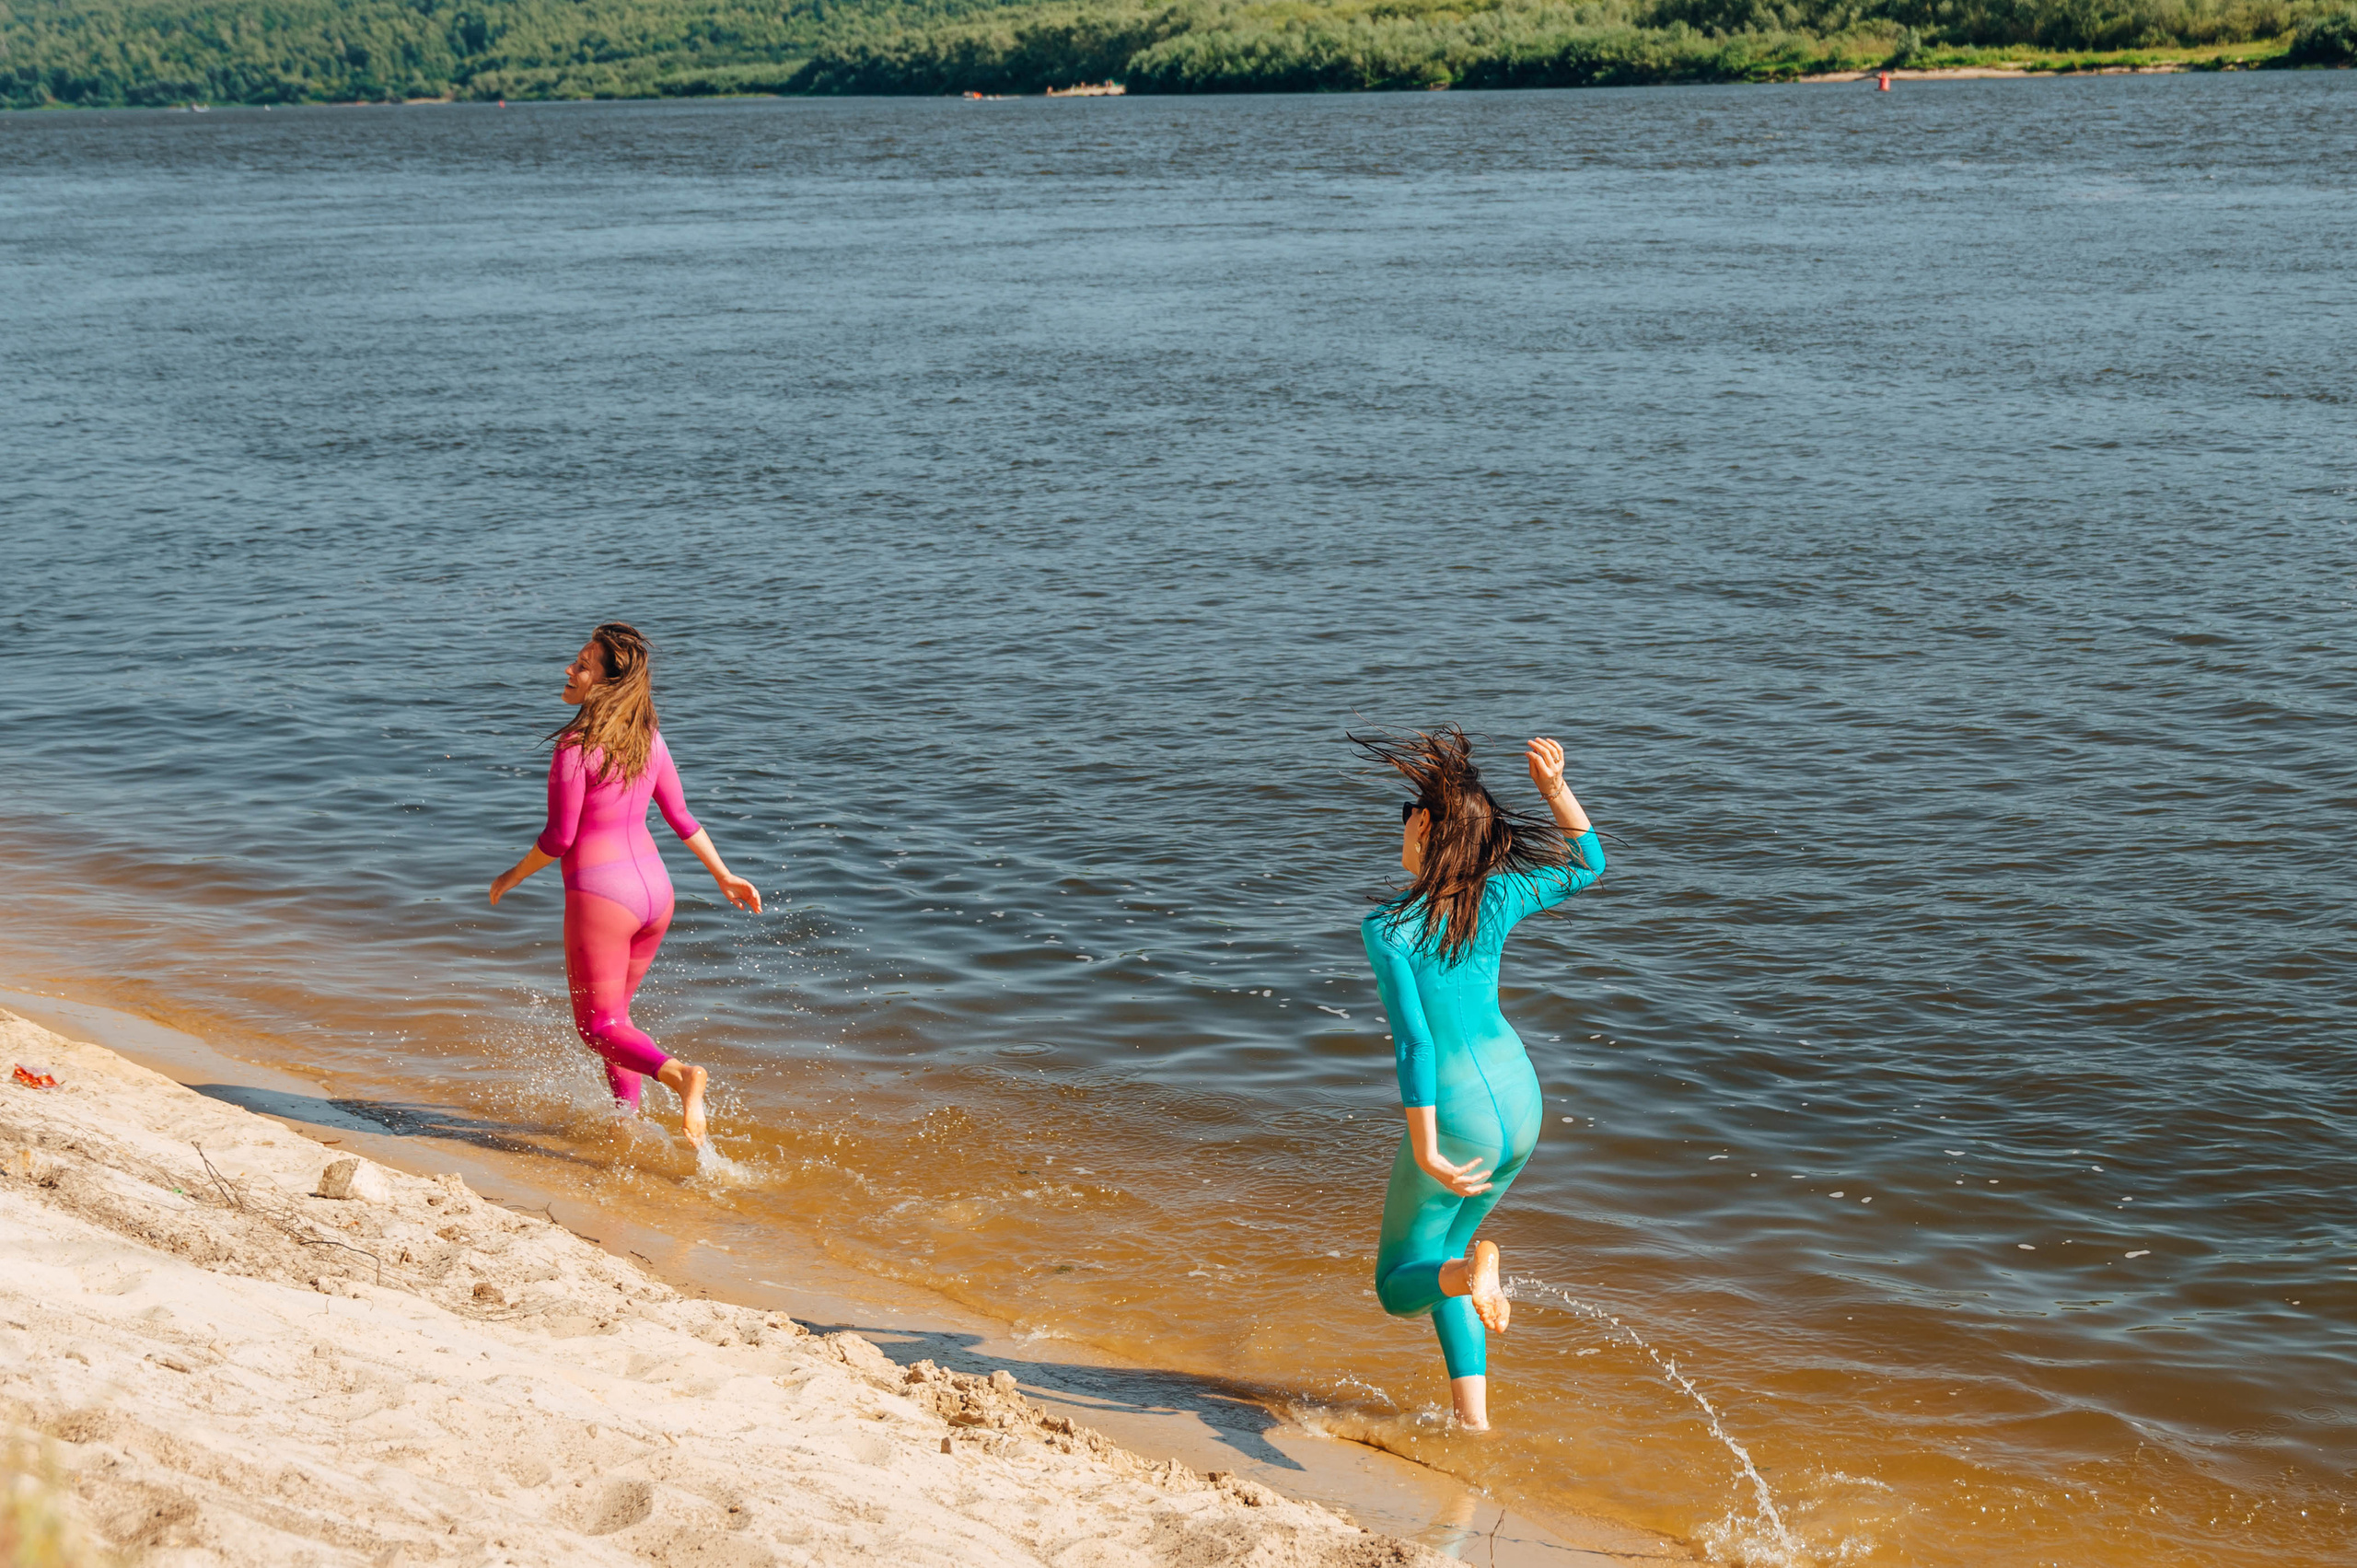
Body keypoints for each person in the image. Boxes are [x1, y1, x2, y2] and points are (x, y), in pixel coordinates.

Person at [1356, 726, 1603, 1431]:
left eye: (1406, 817)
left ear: (1428, 824)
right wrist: (1555, 790)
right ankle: (1474, 1425)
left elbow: (1415, 1045)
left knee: (1399, 1283)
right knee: (1444, 1260)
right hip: (1520, 1103)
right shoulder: (1497, 897)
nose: (1400, 830)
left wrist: (1428, 1147)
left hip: (1459, 1113)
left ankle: (1474, 1273)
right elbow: (1590, 862)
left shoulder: (1389, 928)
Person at [488, 623, 761, 1145]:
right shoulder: (648, 740)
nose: (570, 671)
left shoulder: (574, 746)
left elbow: (560, 838)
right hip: (656, 893)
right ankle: (623, 1125)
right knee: (616, 1024)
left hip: (603, 898)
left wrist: (511, 875)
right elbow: (681, 816)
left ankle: (682, 1077)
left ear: (607, 682)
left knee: (597, 1029)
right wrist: (724, 875)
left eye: (583, 666)